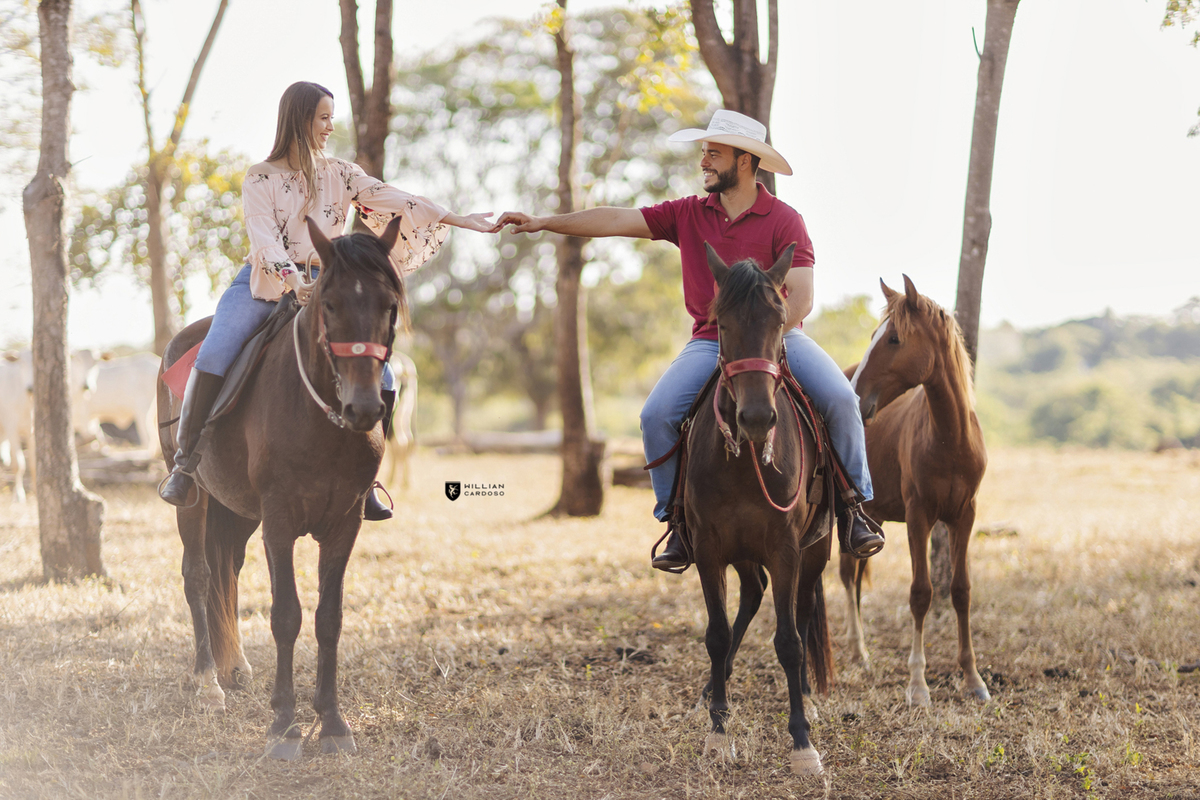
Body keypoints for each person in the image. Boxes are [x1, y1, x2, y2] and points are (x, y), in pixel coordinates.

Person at [494, 109, 885, 570]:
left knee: (841, 399)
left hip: (779, 338)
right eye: (704, 152)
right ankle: (677, 523)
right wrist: (543, 222)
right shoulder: (687, 214)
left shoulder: (785, 220)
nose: (704, 161)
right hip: (710, 341)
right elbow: (616, 219)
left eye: (713, 153)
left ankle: (854, 509)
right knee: (655, 415)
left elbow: (801, 296)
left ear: (744, 161)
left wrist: (767, 341)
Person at [159, 81, 495, 517]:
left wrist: (459, 219)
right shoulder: (260, 176)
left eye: (331, 117)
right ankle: (184, 465)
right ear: (299, 120)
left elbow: (398, 198)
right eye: (323, 117)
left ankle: (368, 477)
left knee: (387, 378)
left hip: (329, 287)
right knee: (216, 350)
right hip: (262, 282)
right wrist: (291, 280)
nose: (329, 127)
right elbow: (264, 238)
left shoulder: (343, 173)